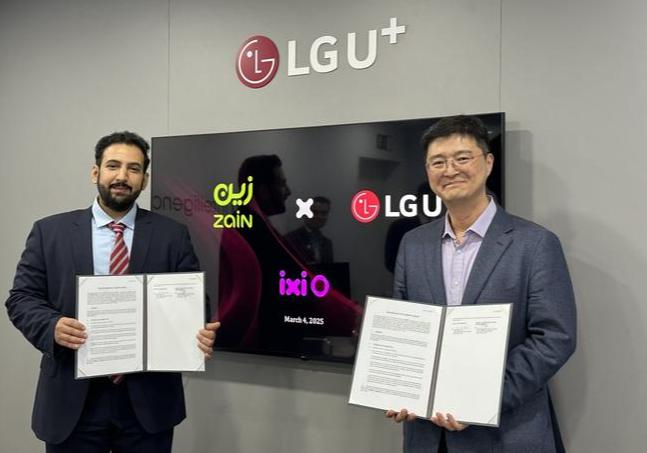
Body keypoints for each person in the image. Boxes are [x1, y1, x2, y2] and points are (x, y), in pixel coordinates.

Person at [5, 131, 220, 453]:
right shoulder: (49, 232)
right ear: (96, 172)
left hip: (148, 401)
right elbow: (22, 298)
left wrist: (198, 328)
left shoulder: (172, 235)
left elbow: (193, 301)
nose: (122, 176)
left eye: (134, 169)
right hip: (72, 398)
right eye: (113, 166)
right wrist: (52, 326)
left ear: (144, 180)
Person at [386, 115, 576, 453]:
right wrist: (400, 387)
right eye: (438, 162)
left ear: (488, 163)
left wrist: (483, 400)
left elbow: (555, 338)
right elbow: (403, 328)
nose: (450, 170)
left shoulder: (535, 244)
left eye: (462, 158)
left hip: (506, 434)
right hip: (428, 437)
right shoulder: (413, 244)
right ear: (428, 172)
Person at [286, 195, 334, 264]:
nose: (319, 217)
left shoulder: (327, 243)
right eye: (315, 212)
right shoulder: (290, 239)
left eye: (324, 213)